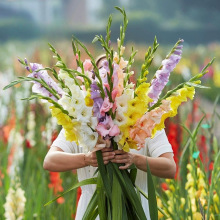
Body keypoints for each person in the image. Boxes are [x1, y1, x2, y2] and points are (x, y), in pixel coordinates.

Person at [43, 55, 176, 220]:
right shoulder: (81, 122)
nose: (109, 82)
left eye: (116, 76)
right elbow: (50, 161)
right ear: (93, 82)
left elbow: (170, 168)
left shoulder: (144, 121)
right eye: (103, 75)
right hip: (92, 212)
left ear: (126, 82)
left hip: (136, 210)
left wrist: (134, 160)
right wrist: (87, 159)